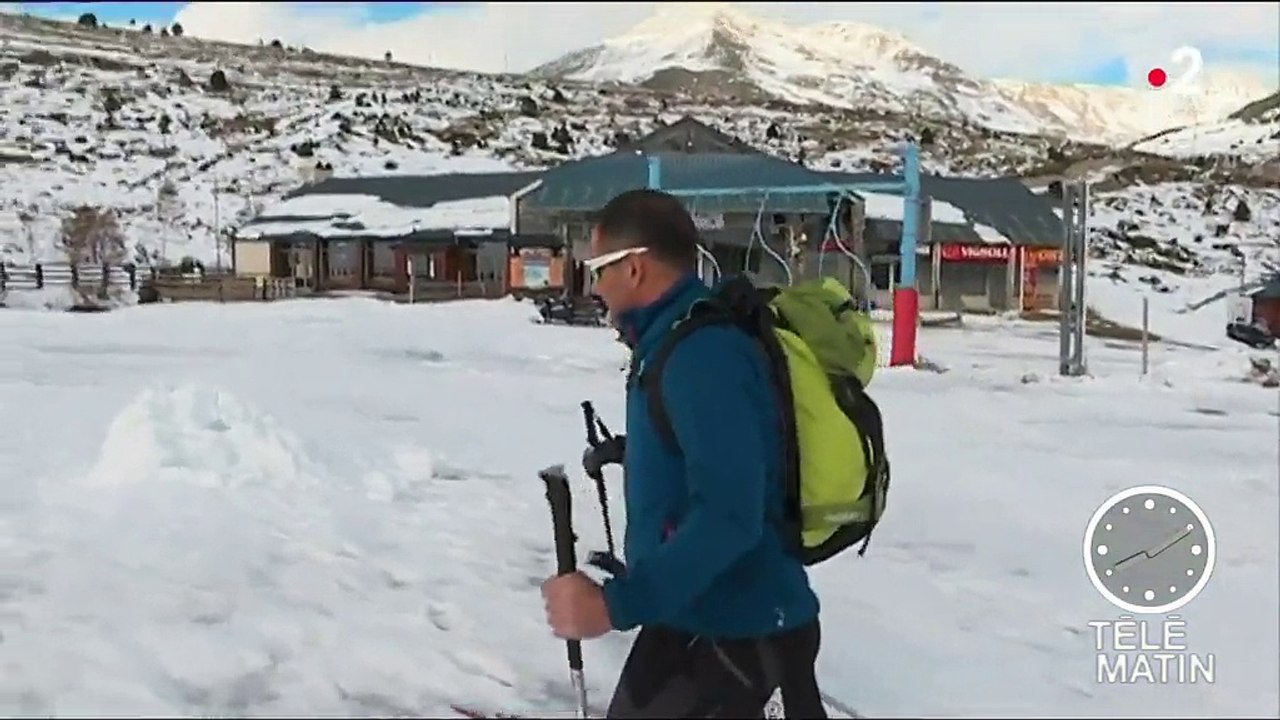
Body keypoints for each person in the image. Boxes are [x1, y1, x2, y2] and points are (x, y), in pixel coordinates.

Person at [540, 189, 826, 718]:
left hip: (742, 632)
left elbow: (730, 517)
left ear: (634, 268)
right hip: (694, 616)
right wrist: (643, 455)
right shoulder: (671, 340)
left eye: (598, 269)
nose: (594, 287)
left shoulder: (703, 354)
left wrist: (612, 606)